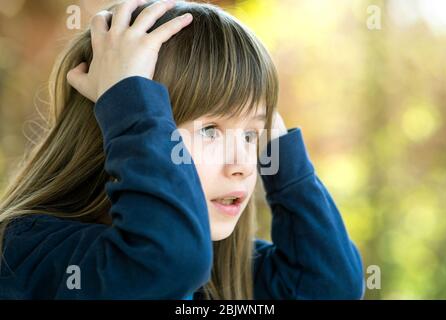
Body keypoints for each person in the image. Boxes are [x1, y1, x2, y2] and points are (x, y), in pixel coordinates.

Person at [0, 0, 364, 299]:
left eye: (253, 136)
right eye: (210, 130)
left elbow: (330, 288)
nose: (242, 166)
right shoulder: (28, 253)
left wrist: (282, 152)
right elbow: (164, 265)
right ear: (116, 127)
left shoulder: (218, 270)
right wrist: (128, 98)